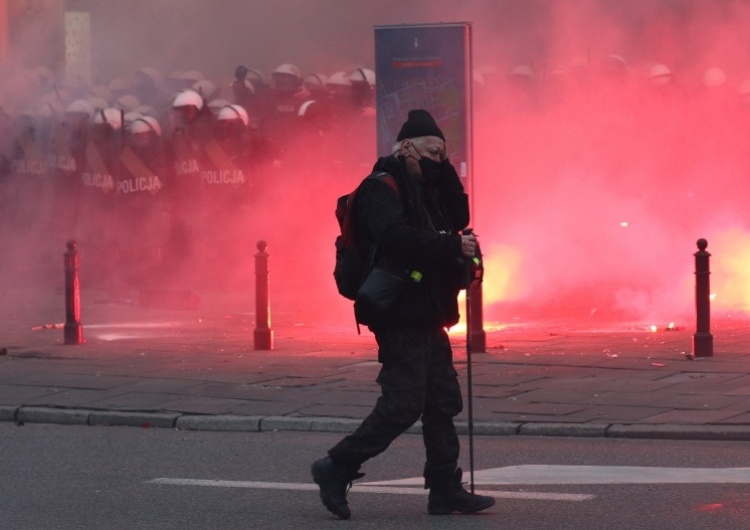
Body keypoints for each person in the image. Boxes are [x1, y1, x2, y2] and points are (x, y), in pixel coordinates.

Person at [311, 109, 495, 519]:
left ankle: (445, 488)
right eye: (431, 152)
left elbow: (458, 216)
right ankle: (337, 466)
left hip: (427, 310)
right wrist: (451, 248)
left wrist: (444, 168)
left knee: (443, 401)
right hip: (397, 313)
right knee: (403, 404)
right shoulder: (381, 187)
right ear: (406, 147)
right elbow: (395, 236)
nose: (437, 161)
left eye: (443, 155)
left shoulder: (425, 188)